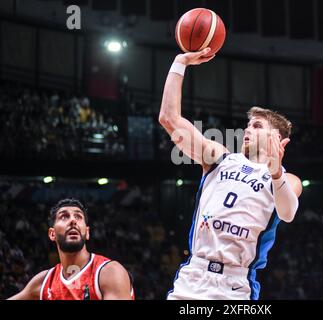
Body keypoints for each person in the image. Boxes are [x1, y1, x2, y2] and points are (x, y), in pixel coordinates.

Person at [159, 47, 303, 300]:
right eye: (247, 124)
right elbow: (169, 118)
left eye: (257, 126)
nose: (247, 129)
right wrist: (179, 63)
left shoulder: (286, 179)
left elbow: (288, 213)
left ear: (276, 137)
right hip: (193, 277)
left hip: (236, 285)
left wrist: (276, 172)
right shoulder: (220, 158)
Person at [8, 198, 134, 300]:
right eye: (64, 216)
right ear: (52, 234)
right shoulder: (43, 282)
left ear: (87, 232)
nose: (73, 220)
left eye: (78, 217)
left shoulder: (109, 272)